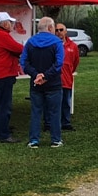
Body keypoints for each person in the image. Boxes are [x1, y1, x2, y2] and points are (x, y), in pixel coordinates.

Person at [21, 17, 65, 148]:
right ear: (50, 28)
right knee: (55, 112)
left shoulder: (30, 42)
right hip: (53, 84)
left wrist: (36, 75)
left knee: (36, 112)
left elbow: (24, 63)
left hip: (36, 84)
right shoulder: (57, 42)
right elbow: (59, 63)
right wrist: (45, 76)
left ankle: (34, 140)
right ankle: (56, 139)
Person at [0, 11, 24, 144]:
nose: (12, 24)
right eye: (10, 22)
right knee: (4, 105)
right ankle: (3, 134)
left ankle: (1, 128)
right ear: (4, 23)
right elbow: (19, 48)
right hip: (3, 74)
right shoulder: (3, 36)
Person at [55, 23, 80, 131]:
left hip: (67, 78)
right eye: (57, 30)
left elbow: (75, 62)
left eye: (61, 30)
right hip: (55, 79)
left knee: (66, 101)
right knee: (54, 103)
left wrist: (69, 71)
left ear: (65, 31)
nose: (59, 32)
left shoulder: (73, 46)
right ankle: (52, 123)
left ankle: (66, 122)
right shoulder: (52, 44)